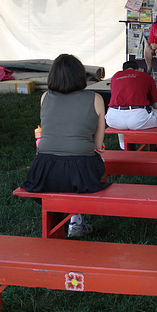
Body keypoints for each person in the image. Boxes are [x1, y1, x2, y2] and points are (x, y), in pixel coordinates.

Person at [21, 54, 107, 238]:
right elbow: (98, 145)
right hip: (80, 170)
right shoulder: (96, 99)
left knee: (63, 176)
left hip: (43, 170)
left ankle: (67, 219)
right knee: (95, 162)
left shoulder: (45, 97)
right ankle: (75, 218)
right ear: (80, 75)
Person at [105, 60, 157, 152]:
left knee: (121, 122)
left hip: (113, 117)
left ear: (123, 70)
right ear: (138, 69)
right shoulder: (146, 77)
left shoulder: (115, 76)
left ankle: (123, 149)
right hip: (138, 117)